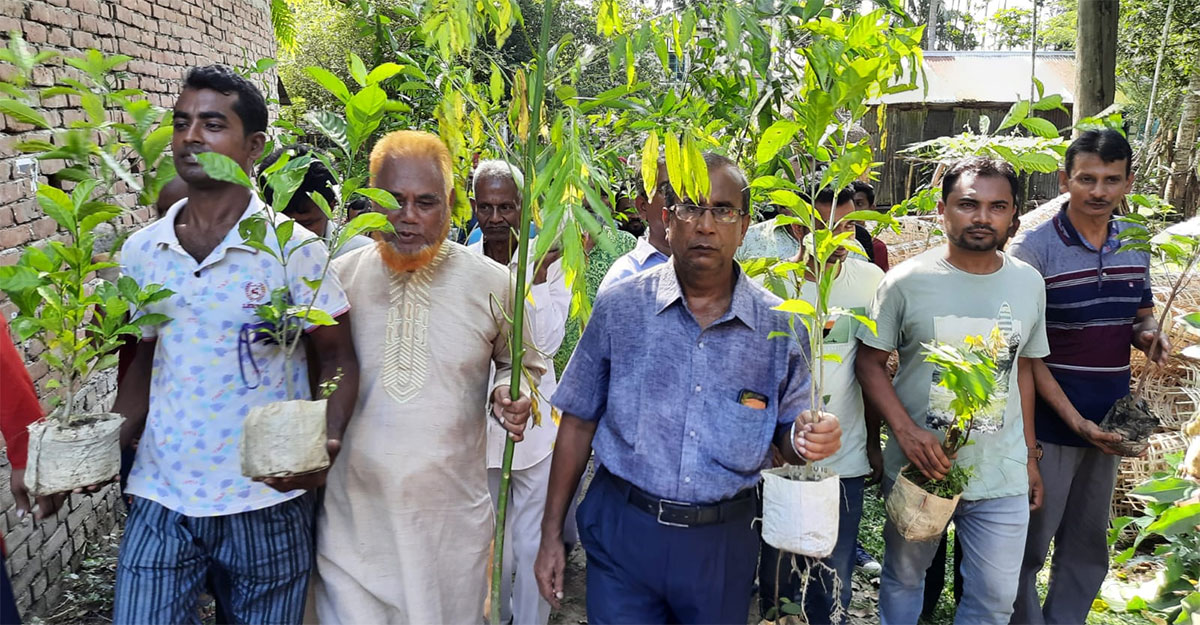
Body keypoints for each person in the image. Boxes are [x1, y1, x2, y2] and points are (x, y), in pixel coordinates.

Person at [534, 152, 843, 625]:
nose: (705, 224)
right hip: (623, 532)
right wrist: (551, 533)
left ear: (744, 226)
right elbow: (577, 422)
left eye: (723, 210)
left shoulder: (780, 325)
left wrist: (806, 439)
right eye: (690, 207)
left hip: (722, 544)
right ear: (667, 218)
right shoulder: (621, 307)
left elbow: (788, 438)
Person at [111, 65, 358, 625]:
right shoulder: (143, 251)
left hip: (265, 496)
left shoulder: (292, 250)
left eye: (213, 124)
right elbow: (144, 362)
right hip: (162, 493)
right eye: (182, 123)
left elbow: (338, 357)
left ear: (254, 146)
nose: (191, 137)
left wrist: (327, 438)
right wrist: (103, 450)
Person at [310, 131, 544, 624]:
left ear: (452, 206)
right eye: (393, 200)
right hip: (354, 525)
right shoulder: (337, 281)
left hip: (450, 529)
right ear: (371, 201)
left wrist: (509, 392)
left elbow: (521, 362)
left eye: (426, 202)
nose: (408, 216)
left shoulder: (494, 283)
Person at [855, 156, 1050, 625]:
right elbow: (869, 363)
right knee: (906, 579)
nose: (982, 217)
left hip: (1000, 472)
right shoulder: (906, 282)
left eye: (997, 206)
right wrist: (904, 434)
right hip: (919, 471)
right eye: (968, 204)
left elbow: (1023, 370)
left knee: (995, 599)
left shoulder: (1028, 283)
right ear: (942, 210)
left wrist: (1028, 457)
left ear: (1014, 216)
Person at [1009, 129, 1165, 625]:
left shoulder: (1135, 241)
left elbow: (1140, 313)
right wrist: (1073, 421)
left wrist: (1148, 334)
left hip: (1110, 422)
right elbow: (1022, 353)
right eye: (1086, 179)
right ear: (1065, 180)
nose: (1099, 191)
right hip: (1047, 424)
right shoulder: (1033, 249)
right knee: (1028, 545)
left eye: (1111, 180)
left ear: (1128, 182)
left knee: (1087, 543)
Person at [752, 186, 885, 624]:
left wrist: (873, 443)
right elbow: (754, 377)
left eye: (849, 227)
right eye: (826, 228)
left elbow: (871, 368)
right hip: (780, 459)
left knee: (834, 574)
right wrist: (770, 440)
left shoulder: (870, 282)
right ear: (797, 230)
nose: (840, 239)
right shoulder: (770, 286)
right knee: (778, 572)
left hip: (844, 458)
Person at [468, 159, 570, 625]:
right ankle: (498, 616)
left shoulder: (548, 257)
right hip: (480, 423)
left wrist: (540, 277)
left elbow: (545, 344)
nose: (495, 218)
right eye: (486, 207)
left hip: (535, 423)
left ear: (524, 207)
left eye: (506, 207)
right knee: (492, 541)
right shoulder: (461, 262)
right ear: (473, 207)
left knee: (531, 540)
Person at [551, 194, 637, 375]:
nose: (592, 200)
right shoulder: (551, 246)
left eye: (602, 194)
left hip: (608, 370)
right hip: (553, 373)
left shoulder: (626, 245)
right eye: (585, 192)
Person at [258, 144, 373, 258]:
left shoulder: (361, 256)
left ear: (330, 207)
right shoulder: (254, 253)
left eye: (306, 224)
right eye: (282, 223)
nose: (294, 234)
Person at [598, 157, 672, 292]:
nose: (681, 199)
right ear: (642, 206)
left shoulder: (708, 267)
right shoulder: (624, 280)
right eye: (668, 190)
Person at [850, 180, 889, 271]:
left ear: (871, 209)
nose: (853, 209)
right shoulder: (835, 245)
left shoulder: (878, 248)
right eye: (850, 203)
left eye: (859, 204)